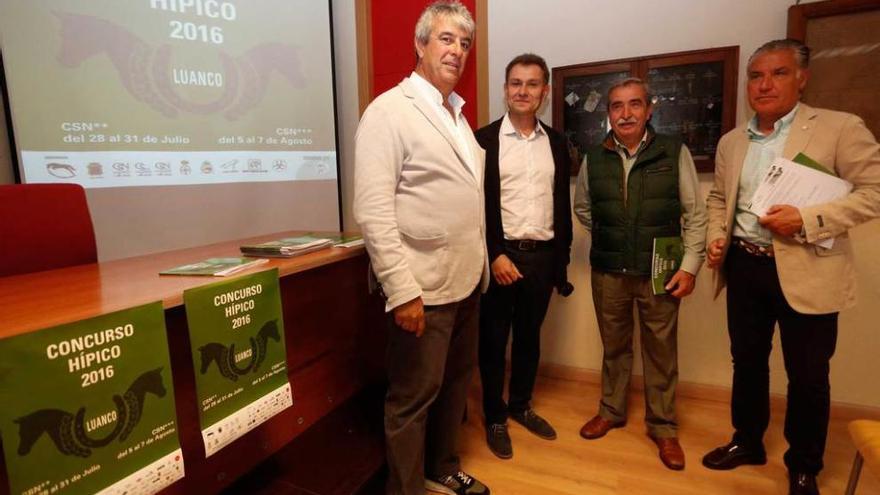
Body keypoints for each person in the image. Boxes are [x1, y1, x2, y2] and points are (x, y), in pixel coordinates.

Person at [701, 39, 880, 495]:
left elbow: (874, 191)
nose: (764, 84)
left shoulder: (839, 128)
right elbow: (722, 197)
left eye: (778, 73)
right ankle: (747, 441)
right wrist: (716, 236)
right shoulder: (731, 141)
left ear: (802, 78)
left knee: (808, 374)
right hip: (745, 265)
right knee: (747, 362)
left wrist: (808, 218)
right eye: (756, 75)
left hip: (808, 266)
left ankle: (804, 465)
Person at [352, 2, 490, 494]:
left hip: (467, 281)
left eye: (465, 43)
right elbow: (372, 211)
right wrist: (403, 290)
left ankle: (441, 466)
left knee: (454, 388)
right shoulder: (389, 111)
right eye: (447, 39)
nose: (457, 51)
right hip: (422, 288)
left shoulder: (457, 117)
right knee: (412, 399)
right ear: (420, 44)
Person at [573, 77, 707, 471]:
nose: (625, 113)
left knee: (660, 351)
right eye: (617, 106)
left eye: (634, 105)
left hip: (660, 273)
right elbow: (583, 208)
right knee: (614, 347)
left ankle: (663, 427)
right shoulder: (594, 157)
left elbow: (695, 213)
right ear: (609, 114)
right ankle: (611, 411)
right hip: (609, 270)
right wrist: (615, 232)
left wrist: (689, 265)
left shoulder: (672, 151)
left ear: (650, 110)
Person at [473, 53, 573, 460]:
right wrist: (494, 254)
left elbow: (561, 204)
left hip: (543, 258)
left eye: (532, 84)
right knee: (494, 342)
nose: (523, 91)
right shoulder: (482, 141)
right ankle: (495, 415)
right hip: (501, 258)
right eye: (516, 83)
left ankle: (520, 405)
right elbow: (475, 205)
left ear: (544, 92)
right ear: (505, 89)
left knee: (530, 339)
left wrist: (559, 261)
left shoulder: (557, 143)